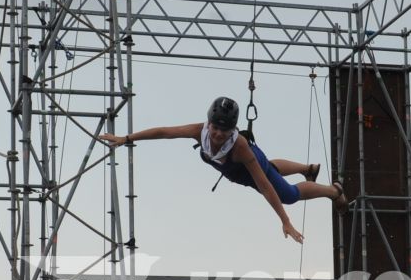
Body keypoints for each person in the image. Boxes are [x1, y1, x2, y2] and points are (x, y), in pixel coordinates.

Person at [100, 97, 345, 245]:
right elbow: (164, 132)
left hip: (246, 169)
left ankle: (333, 191)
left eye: (224, 131)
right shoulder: (200, 130)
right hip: (235, 171)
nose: (218, 134)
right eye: (215, 128)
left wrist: (285, 221)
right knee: (271, 168)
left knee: (288, 194)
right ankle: (306, 168)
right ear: (209, 123)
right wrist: (126, 138)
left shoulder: (240, 149)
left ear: (232, 130)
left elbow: (265, 185)